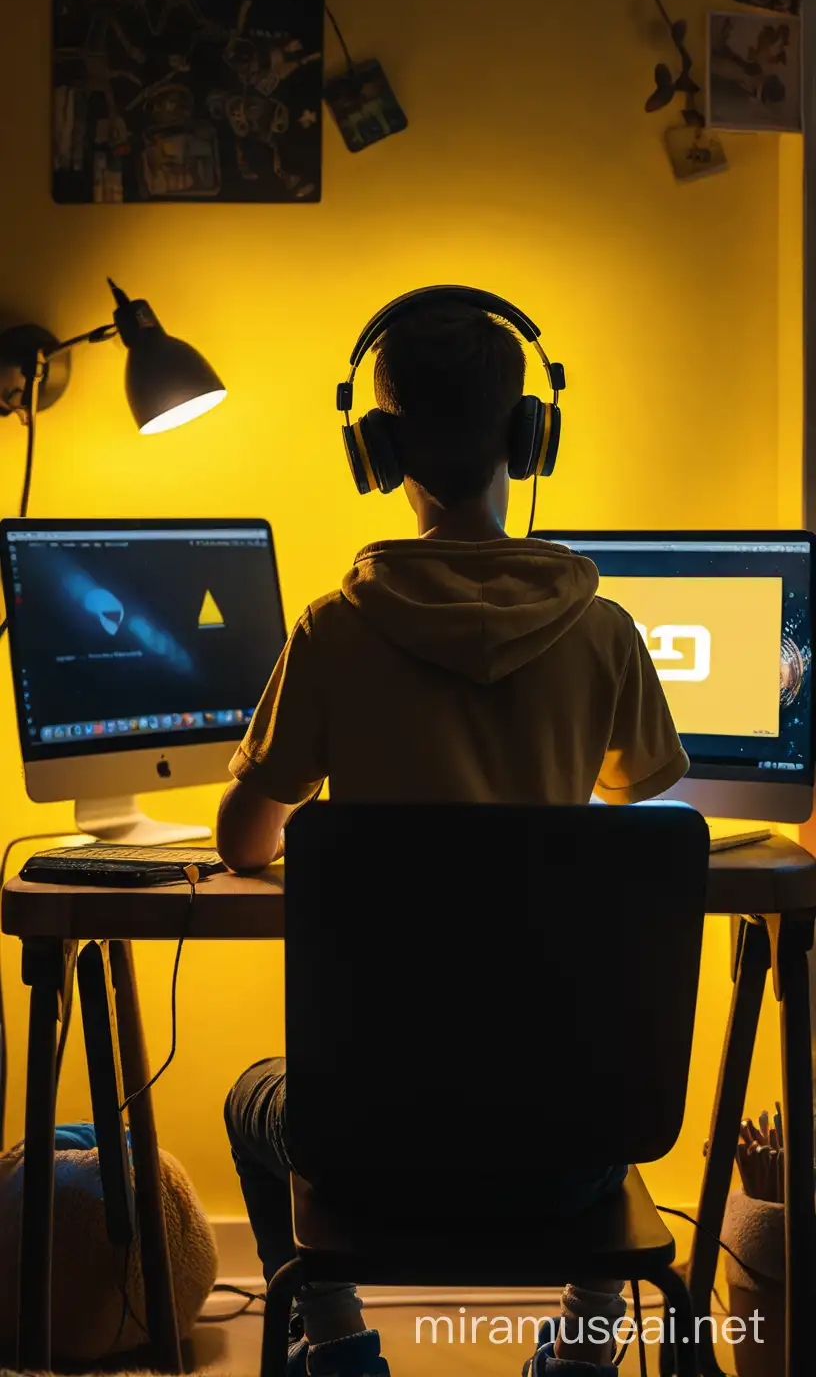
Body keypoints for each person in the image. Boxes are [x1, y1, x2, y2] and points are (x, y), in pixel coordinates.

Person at [219, 299, 689, 1376]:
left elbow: (246, 843)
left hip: (371, 1147)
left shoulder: (335, 630)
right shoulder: (604, 630)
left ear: (376, 455)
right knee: (600, 1058)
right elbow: (647, 797)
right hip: (571, 1149)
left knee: (257, 1095)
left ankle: (339, 1349)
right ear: (529, 440)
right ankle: (583, 1342)